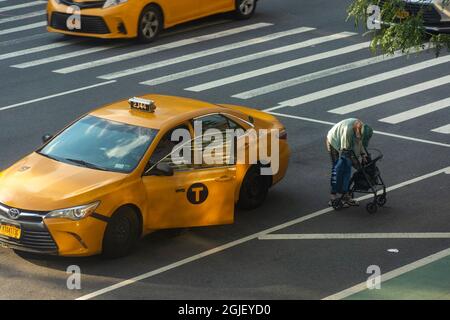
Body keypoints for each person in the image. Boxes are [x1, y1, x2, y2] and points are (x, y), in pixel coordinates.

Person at [326, 118, 373, 207]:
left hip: (346, 147)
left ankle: (345, 196)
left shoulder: (362, 128)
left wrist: (363, 155)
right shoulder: (348, 131)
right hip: (334, 142)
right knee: (338, 169)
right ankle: (333, 197)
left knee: (347, 169)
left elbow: (360, 144)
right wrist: (357, 165)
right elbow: (345, 151)